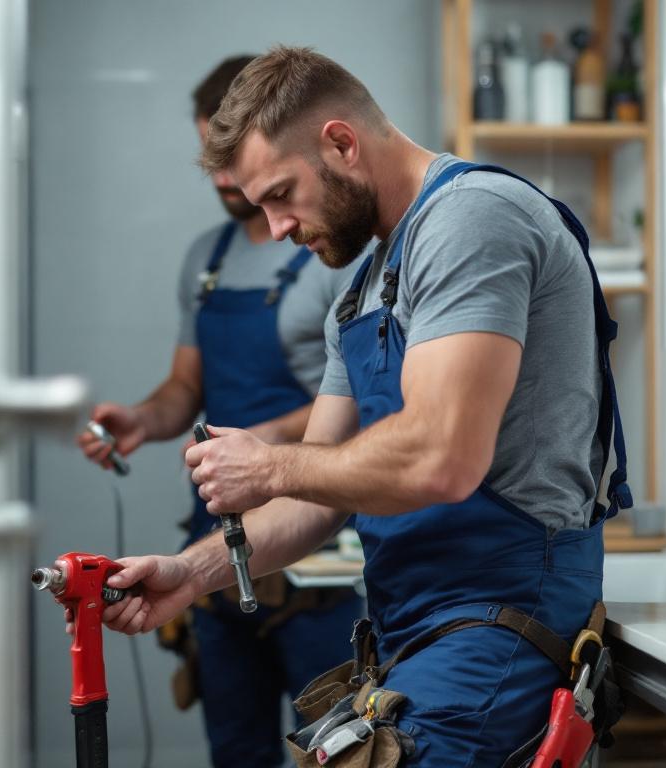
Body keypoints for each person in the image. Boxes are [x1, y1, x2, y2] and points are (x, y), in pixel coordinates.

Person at [98, 46, 632, 767]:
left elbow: (443, 457)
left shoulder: (471, 220)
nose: (278, 227)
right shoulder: (364, 287)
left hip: (502, 623)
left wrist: (271, 466)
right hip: (413, 632)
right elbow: (315, 500)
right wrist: (189, 575)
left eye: (282, 194)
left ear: (341, 143)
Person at [75, 55, 365, 768]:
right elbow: (187, 388)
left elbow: (360, 404)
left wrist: (265, 446)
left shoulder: (337, 254)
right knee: (235, 750)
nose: (223, 180)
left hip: (319, 557)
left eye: (232, 161)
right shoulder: (206, 259)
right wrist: (144, 420)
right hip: (221, 535)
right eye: (211, 160)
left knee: (340, 746)